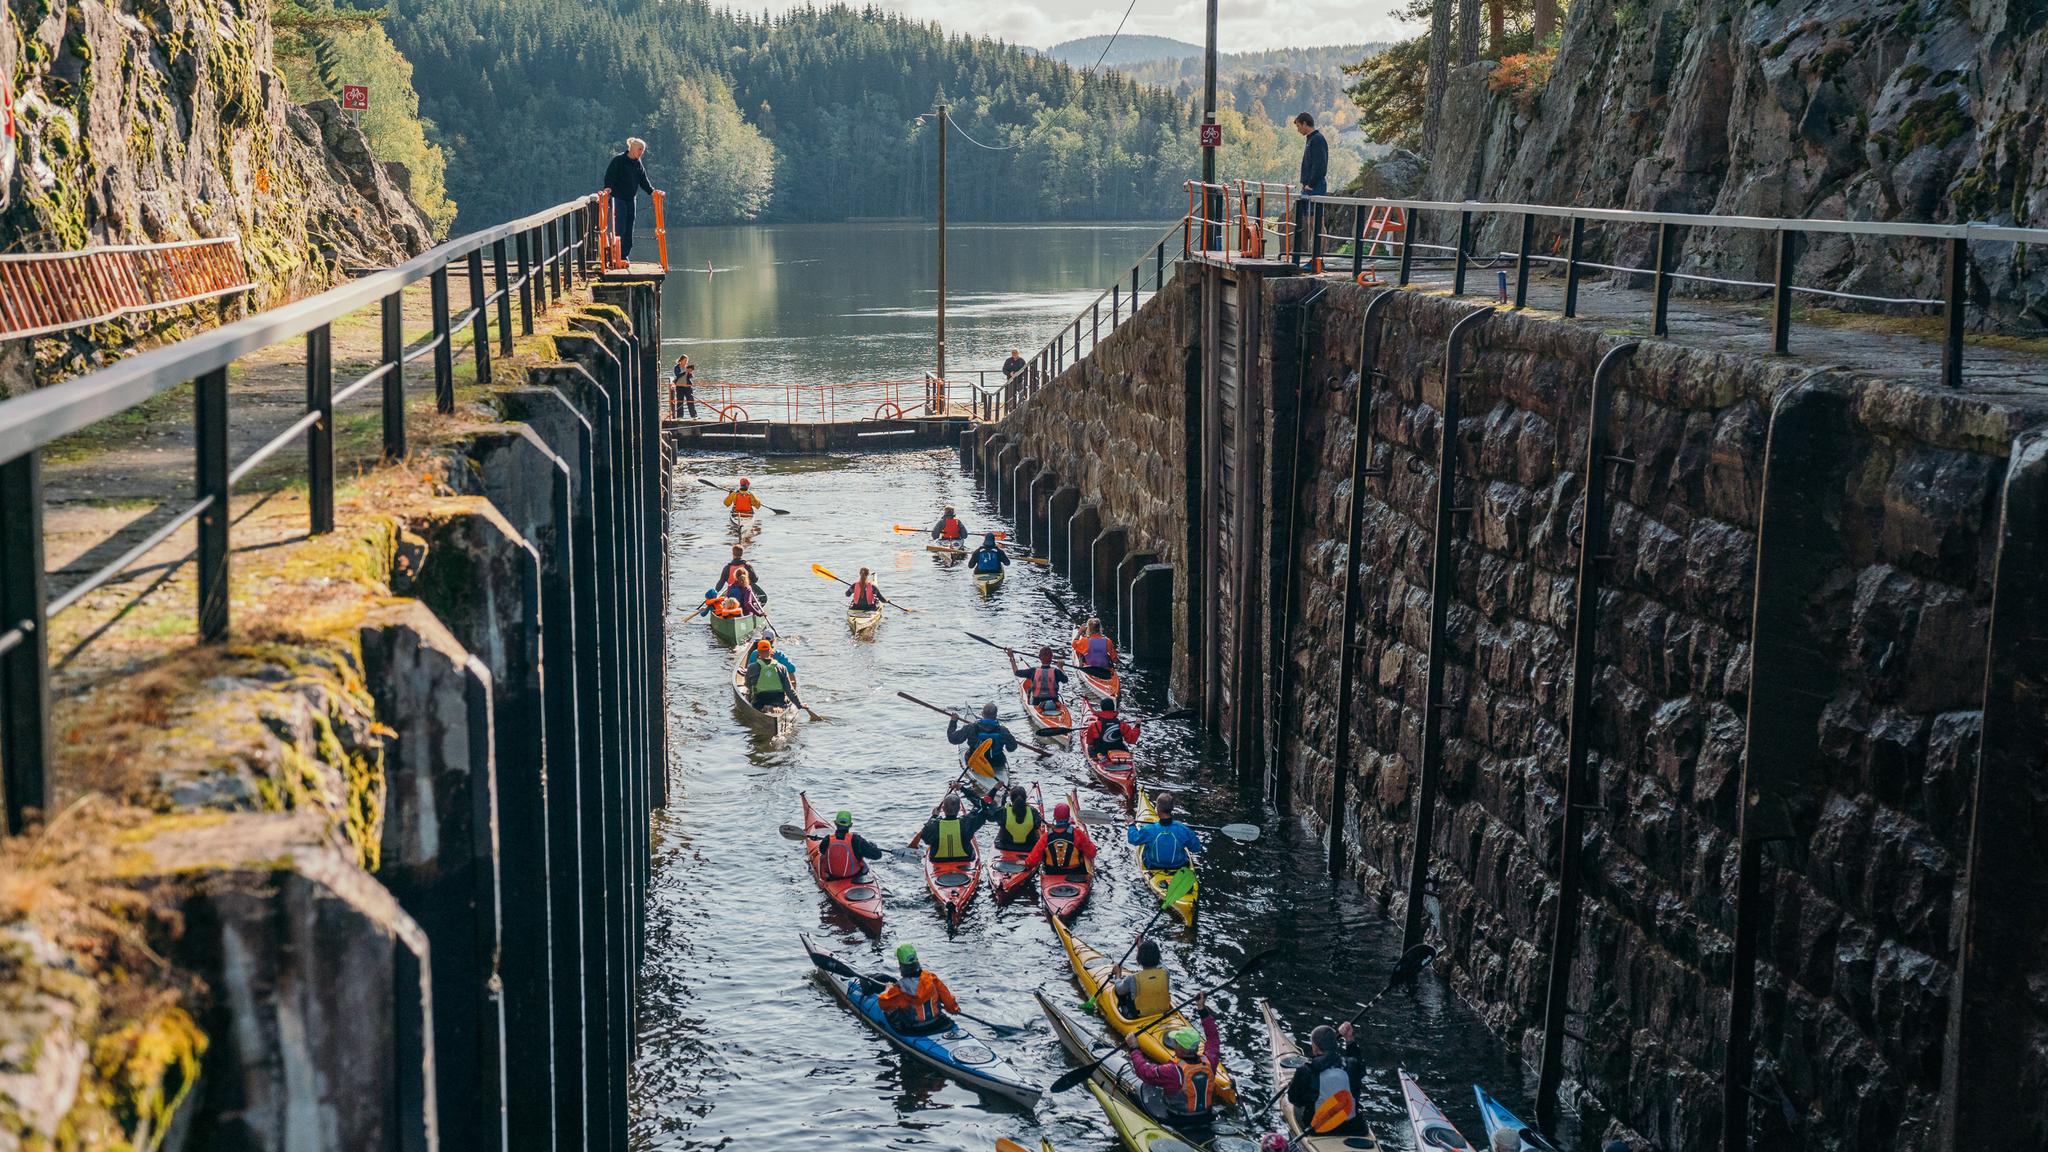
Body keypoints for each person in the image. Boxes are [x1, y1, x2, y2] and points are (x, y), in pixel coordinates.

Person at [1125, 992, 1220, 1128]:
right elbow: (1213, 1039)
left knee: (1149, 1085)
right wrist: (1202, 1009)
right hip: (1206, 1114)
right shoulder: (1210, 1061)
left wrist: (1134, 1048)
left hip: (1178, 1117)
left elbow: (1144, 1072)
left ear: (1180, 1049)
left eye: (1175, 1043)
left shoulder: (1172, 1071)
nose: (1173, 1044)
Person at [1284, 1022, 1369, 1135]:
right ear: (1335, 1045)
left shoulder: (1306, 1070)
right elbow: (1360, 1066)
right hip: (1353, 1127)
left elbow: (1294, 1100)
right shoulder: (1352, 1064)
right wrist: (1349, 1038)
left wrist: (1293, 1084)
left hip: (1319, 1129)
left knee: (1295, 1106)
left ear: (1315, 1048)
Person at [871, 943, 959, 1036]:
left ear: (901, 965)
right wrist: (954, 1009)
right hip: (937, 1023)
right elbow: (949, 1003)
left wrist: (888, 989)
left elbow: (883, 1003)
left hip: (913, 1029)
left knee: (891, 1010)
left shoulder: (899, 988)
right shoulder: (932, 978)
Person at [602, 137, 656, 263]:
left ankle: (624, 254)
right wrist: (608, 188)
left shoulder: (638, 163)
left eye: (643, 150)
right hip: (618, 198)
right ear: (632, 148)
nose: (641, 152)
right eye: (640, 149)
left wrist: (652, 191)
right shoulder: (619, 160)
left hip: (631, 199)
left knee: (629, 225)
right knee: (620, 226)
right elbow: (610, 175)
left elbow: (643, 180)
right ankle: (617, 254)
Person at [947, 702, 1019, 795]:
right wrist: (1007, 740)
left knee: (968, 754)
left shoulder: (971, 728)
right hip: (996, 763)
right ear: (996, 715)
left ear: (982, 714)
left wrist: (953, 722)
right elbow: (1011, 748)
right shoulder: (1003, 730)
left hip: (976, 764)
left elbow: (952, 739)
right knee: (1001, 754)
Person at [1128, 791, 1203, 870]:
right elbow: (1196, 848)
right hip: (1179, 866)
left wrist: (1131, 825)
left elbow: (1133, 839)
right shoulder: (1183, 829)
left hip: (1153, 866)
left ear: (1157, 810)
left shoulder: (1149, 829)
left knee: (1144, 846)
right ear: (1172, 809)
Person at [920, 786, 993, 863]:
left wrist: (934, 816)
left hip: (937, 859)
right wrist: (962, 788)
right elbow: (982, 807)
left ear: (943, 809)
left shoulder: (933, 824)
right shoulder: (967, 822)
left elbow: (926, 840)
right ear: (959, 809)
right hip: (965, 858)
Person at [1292, 113, 1328, 268]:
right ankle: (1315, 258)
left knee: (1317, 223)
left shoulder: (1317, 140)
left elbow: (1320, 165)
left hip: (1315, 187)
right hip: (1309, 188)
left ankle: (1318, 260)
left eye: (1299, 126)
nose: (1298, 129)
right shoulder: (1311, 140)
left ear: (1306, 123)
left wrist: (1310, 184)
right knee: (1312, 223)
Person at [1024, 799, 1097, 875]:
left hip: (1052, 872)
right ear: (1068, 817)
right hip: (1075, 872)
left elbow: (1033, 859)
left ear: (1055, 818)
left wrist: (1026, 863)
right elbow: (1092, 853)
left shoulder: (1046, 836)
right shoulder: (1078, 833)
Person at [1113, 937, 1173, 1019]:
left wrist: (1118, 975)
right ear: (1158, 957)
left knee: (1124, 997)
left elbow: (1119, 990)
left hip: (1139, 1014)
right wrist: (1140, 946)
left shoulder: (1133, 978)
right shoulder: (1166, 972)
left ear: (1138, 960)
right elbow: (1160, 961)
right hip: (1162, 1011)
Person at [816, 810, 883, 880]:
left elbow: (822, 850)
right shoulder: (857, 840)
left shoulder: (827, 839)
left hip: (832, 875)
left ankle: (824, 875)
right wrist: (873, 847)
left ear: (835, 823)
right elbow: (877, 855)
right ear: (850, 825)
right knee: (864, 863)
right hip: (853, 875)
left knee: (822, 856)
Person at [742, 636, 802, 710]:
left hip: (760, 702)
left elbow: (747, 685)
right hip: (779, 701)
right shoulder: (782, 667)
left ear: (758, 652)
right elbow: (789, 690)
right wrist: (799, 705)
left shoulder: (752, 667)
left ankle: (766, 708)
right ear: (771, 651)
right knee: (783, 700)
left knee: (752, 694)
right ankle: (775, 709)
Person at [991, 785, 1043, 855]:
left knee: (1003, 825)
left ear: (1011, 799)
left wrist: (1002, 804)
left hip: (1006, 845)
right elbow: (1037, 825)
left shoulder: (1003, 811)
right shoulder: (1033, 811)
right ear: (1025, 798)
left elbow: (995, 817)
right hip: (1029, 846)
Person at [1015, 645, 1067, 711]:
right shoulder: (1056, 672)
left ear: (1039, 658)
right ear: (1051, 658)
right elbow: (1065, 680)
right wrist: (1061, 668)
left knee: (1030, 690)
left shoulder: (1033, 671)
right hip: (1054, 704)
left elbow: (1016, 672)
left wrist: (1011, 658)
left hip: (1036, 704)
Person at [670, 354, 698, 419]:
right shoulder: (676, 367)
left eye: (687, 360)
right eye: (685, 360)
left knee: (690, 401)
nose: (686, 362)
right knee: (680, 401)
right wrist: (685, 371)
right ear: (681, 360)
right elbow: (678, 375)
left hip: (687, 386)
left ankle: (694, 416)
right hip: (680, 386)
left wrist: (690, 373)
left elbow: (690, 377)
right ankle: (680, 416)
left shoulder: (687, 367)